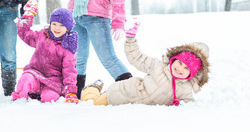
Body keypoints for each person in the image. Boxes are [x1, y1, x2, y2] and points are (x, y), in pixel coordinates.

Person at [80, 19, 210, 106]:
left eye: (186, 68)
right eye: (180, 62)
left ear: (192, 74)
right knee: (91, 103)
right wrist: (131, 39)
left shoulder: (185, 89)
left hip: (131, 110)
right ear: (174, 59)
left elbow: (188, 107)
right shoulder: (158, 66)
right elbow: (136, 58)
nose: (180, 68)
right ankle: (93, 88)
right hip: (121, 93)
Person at [12, 2, 79, 103]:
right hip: (35, 74)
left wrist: (70, 91)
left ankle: (41, 96)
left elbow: (69, 71)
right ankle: (19, 99)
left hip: (53, 82)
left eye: (61, 25)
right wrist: (27, 19)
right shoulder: (43, 36)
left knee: (50, 98)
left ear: (67, 28)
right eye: (54, 24)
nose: (57, 28)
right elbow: (26, 34)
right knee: (25, 79)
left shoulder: (67, 48)